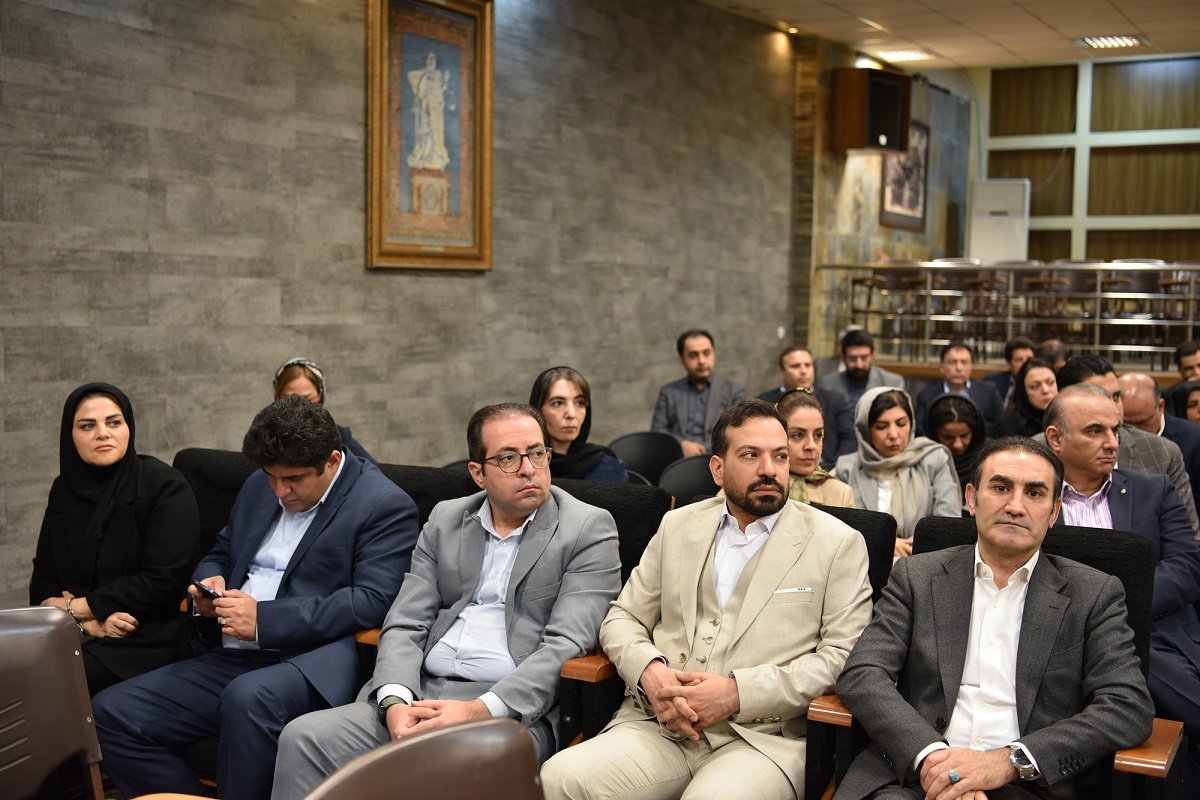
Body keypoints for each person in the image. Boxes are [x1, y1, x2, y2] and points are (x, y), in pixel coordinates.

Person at [271, 404, 622, 800]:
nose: (528, 469)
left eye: (537, 453)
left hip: (509, 712)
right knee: (304, 737)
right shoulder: (446, 519)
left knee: (454, 767)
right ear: (478, 473)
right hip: (420, 693)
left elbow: (566, 645)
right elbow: (405, 622)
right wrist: (395, 701)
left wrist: (477, 709)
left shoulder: (587, 528)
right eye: (509, 458)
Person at [539, 399, 872, 800]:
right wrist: (651, 674)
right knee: (559, 777)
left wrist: (736, 694)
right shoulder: (678, 524)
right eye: (750, 455)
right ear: (717, 468)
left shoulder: (837, 543)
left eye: (779, 456)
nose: (769, 469)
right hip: (659, 725)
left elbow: (843, 658)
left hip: (762, 740)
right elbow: (623, 617)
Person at [92, 396, 420, 800]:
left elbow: (372, 599)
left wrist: (264, 620)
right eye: (271, 477)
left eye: (293, 479)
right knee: (110, 713)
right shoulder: (257, 486)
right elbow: (221, 551)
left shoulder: (383, 504)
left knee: (247, 696)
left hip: (309, 660)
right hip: (230, 654)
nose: (280, 490)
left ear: (332, 461)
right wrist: (207, 581)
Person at [834, 436, 1153, 800]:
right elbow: (863, 673)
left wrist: (1008, 762)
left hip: (1028, 786)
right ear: (971, 498)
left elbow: (1127, 705)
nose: (1015, 506)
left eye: (1034, 493)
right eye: (1000, 488)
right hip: (914, 777)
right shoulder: (917, 577)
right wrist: (935, 760)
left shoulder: (1093, 594)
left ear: (1053, 512)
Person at [1043, 385, 1200, 786]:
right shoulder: (1035, 500)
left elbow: (1187, 567)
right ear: (1056, 439)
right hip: (1065, 643)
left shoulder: (1154, 490)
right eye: (1095, 431)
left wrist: (1114, 607)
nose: (1112, 442)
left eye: (1115, 430)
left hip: (1154, 634)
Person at [30, 382, 202, 695]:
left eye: (114, 422)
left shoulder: (164, 486)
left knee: (46, 677)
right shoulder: (63, 490)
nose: (103, 433)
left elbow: (162, 581)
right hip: (81, 632)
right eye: (87, 426)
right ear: (69, 435)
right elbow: (43, 584)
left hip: (146, 637)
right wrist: (89, 625)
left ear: (128, 427)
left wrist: (77, 607)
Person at [1049, 354, 1200, 534]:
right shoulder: (1032, 455)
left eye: (1116, 396)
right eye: (1098, 396)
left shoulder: (1163, 453)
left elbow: (1187, 538)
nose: (1113, 408)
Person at [835, 388, 960, 557]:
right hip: (863, 562)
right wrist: (885, 544)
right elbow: (839, 529)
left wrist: (907, 548)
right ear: (865, 430)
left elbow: (947, 523)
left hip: (921, 561)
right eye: (881, 427)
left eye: (901, 424)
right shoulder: (846, 468)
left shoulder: (934, 459)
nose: (893, 434)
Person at [1120, 372, 1200, 529]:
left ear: (1161, 407)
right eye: (1125, 425)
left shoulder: (1194, 440)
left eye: (1141, 423)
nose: (1132, 433)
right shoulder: (1109, 442)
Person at [652, 330, 746, 457]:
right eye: (693, 355)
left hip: (719, 457)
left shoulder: (733, 391)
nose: (701, 361)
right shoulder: (668, 392)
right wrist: (681, 445)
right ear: (682, 361)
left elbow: (740, 431)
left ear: (714, 354)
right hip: (679, 459)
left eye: (706, 353)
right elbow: (658, 431)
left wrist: (706, 450)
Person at [758, 345, 854, 467]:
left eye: (808, 365)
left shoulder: (834, 400)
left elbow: (849, 439)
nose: (803, 371)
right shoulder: (764, 402)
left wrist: (836, 468)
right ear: (782, 373)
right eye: (796, 366)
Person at [529, 366, 627, 482]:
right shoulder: (523, 466)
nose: (571, 414)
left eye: (579, 403)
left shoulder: (607, 467)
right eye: (558, 403)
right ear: (538, 410)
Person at [273, 357, 376, 464]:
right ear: (277, 398)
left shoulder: (338, 436)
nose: (300, 406)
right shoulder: (267, 439)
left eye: (308, 398)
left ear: (320, 396)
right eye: (290, 399)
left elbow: (375, 469)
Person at [776, 388, 855, 507]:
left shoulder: (841, 494)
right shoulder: (761, 488)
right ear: (776, 436)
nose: (811, 446)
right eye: (798, 435)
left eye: (817, 435)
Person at [913, 342, 1005, 436]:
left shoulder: (989, 391)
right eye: (953, 362)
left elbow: (1001, 424)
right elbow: (920, 430)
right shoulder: (926, 396)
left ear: (971, 366)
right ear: (941, 367)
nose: (959, 368)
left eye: (964, 362)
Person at [924, 393, 986, 508]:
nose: (958, 444)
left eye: (964, 436)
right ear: (934, 434)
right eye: (948, 437)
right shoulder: (924, 458)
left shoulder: (990, 456)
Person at [818, 329, 905, 411]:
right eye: (852, 358)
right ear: (843, 357)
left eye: (864, 358)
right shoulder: (828, 384)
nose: (859, 365)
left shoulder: (891, 383)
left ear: (873, 356)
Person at [992, 357, 1057, 439]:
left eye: (1051, 382)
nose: (1045, 390)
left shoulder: (1066, 415)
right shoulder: (1009, 424)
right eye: (1035, 386)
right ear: (1023, 391)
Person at [983, 336, 1035, 409]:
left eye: (1029, 359)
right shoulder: (992, 381)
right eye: (1019, 360)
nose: (1025, 363)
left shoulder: (1041, 386)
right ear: (1008, 363)